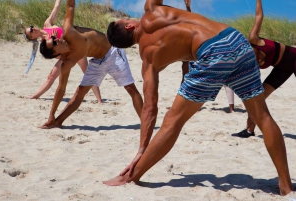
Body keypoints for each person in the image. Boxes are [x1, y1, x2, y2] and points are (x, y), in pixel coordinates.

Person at [103, 0, 293, 195]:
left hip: (212, 52)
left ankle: (131, 176)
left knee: (173, 121)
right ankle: (286, 185)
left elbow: (149, 108)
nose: (129, 17)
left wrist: (141, 149)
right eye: (126, 18)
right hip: (236, 39)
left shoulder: (149, 61)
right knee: (262, 116)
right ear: (129, 25)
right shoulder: (151, 10)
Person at [40, 0, 143, 129]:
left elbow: (70, 5)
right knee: (79, 93)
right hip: (97, 62)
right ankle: (57, 121)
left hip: (113, 52)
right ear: (55, 54)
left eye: (54, 38)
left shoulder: (69, 31)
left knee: (131, 89)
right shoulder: (67, 63)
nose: (57, 39)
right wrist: (51, 114)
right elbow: (61, 89)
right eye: (54, 43)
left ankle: (145, 122)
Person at [237, 0, 296, 138]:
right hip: (281, 69)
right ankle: (249, 130)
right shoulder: (247, 62)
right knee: (259, 98)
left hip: (294, 58)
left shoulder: (253, 40)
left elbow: (259, 16)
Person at [24, 0, 102, 102]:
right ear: (33, 38)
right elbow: (55, 55)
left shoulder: (47, 24)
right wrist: (57, 42)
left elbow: (56, 7)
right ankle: (35, 96)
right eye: (30, 32)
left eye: (31, 27)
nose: (32, 29)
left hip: (75, 48)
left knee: (86, 72)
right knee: (51, 77)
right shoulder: (44, 44)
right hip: (65, 56)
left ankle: (99, 100)